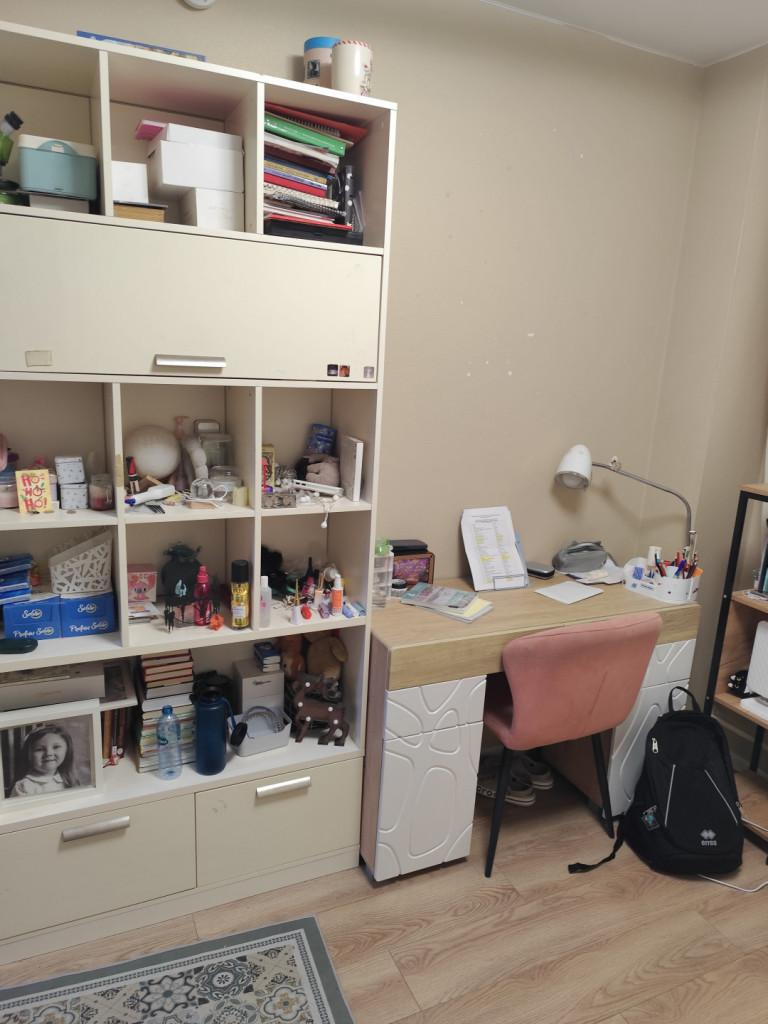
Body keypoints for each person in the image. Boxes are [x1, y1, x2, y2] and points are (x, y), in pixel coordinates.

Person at [11, 724, 79, 797]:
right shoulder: (23, 786)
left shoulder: (69, 781)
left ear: (67, 750)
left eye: (56, 747)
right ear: (28, 755)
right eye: (39, 749)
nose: (49, 753)